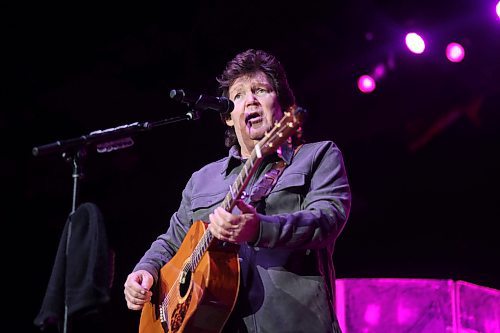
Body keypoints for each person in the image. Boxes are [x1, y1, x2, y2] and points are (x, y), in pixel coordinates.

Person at [124, 48, 351, 333]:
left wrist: (259, 229)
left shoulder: (318, 156)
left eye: (261, 90)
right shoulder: (202, 179)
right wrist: (144, 271)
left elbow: (327, 219)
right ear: (228, 117)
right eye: (239, 95)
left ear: (280, 105)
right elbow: (171, 242)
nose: (250, 100)